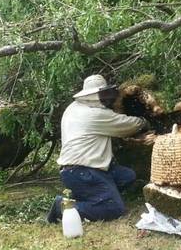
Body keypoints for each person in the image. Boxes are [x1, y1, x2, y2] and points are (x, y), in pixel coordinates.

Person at [46, 75, 149, 223]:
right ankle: (61, 207)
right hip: (83, 172)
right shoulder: (95, 114)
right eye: (103, 94)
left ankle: (94, 197)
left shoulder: (73, 107)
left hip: (77, 171)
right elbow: (128, 125)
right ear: (93, 95)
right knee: (116, 209)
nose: (107, 99)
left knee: (127, 176)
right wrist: (144, 122)